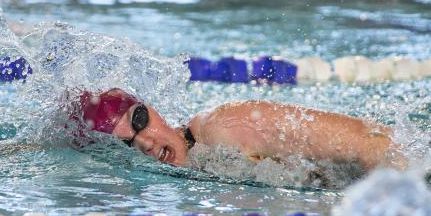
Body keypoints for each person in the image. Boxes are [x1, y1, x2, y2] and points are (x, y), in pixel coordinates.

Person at [75, 88, 407, 172]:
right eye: (128, 143)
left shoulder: (226, 126)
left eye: (139, 121)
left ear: (154, 109)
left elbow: (373, 143)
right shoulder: (200, 163)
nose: (145, 142)